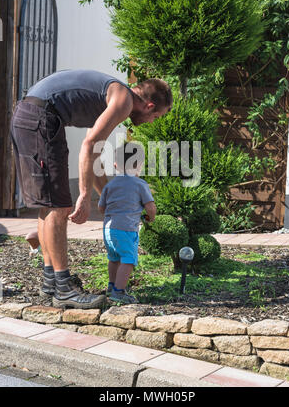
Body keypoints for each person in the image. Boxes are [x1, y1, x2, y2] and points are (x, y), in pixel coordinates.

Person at [11, 70, 172, 309]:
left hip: (32, 116)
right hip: (40, 117)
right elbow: (88, 146)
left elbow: (94, 151)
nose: (152, 122)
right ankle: (64, 288)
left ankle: (51, 284)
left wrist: (108, 194)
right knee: (59, 206)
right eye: (157, 117)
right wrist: (85, 195)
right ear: (149, 106)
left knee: (49, 204)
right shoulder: (123, 100)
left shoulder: (112, 97)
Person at [98, 142, 156, 304]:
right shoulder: (140, 184)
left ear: (116, 165)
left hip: (108, 230)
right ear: (139, 166)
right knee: (128, 259)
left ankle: (111, 286)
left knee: (114, 258)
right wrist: (151, 218)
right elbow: (150, 206)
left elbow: (101, 208)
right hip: (126, 230)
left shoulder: (110, 185)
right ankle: (119, 291)